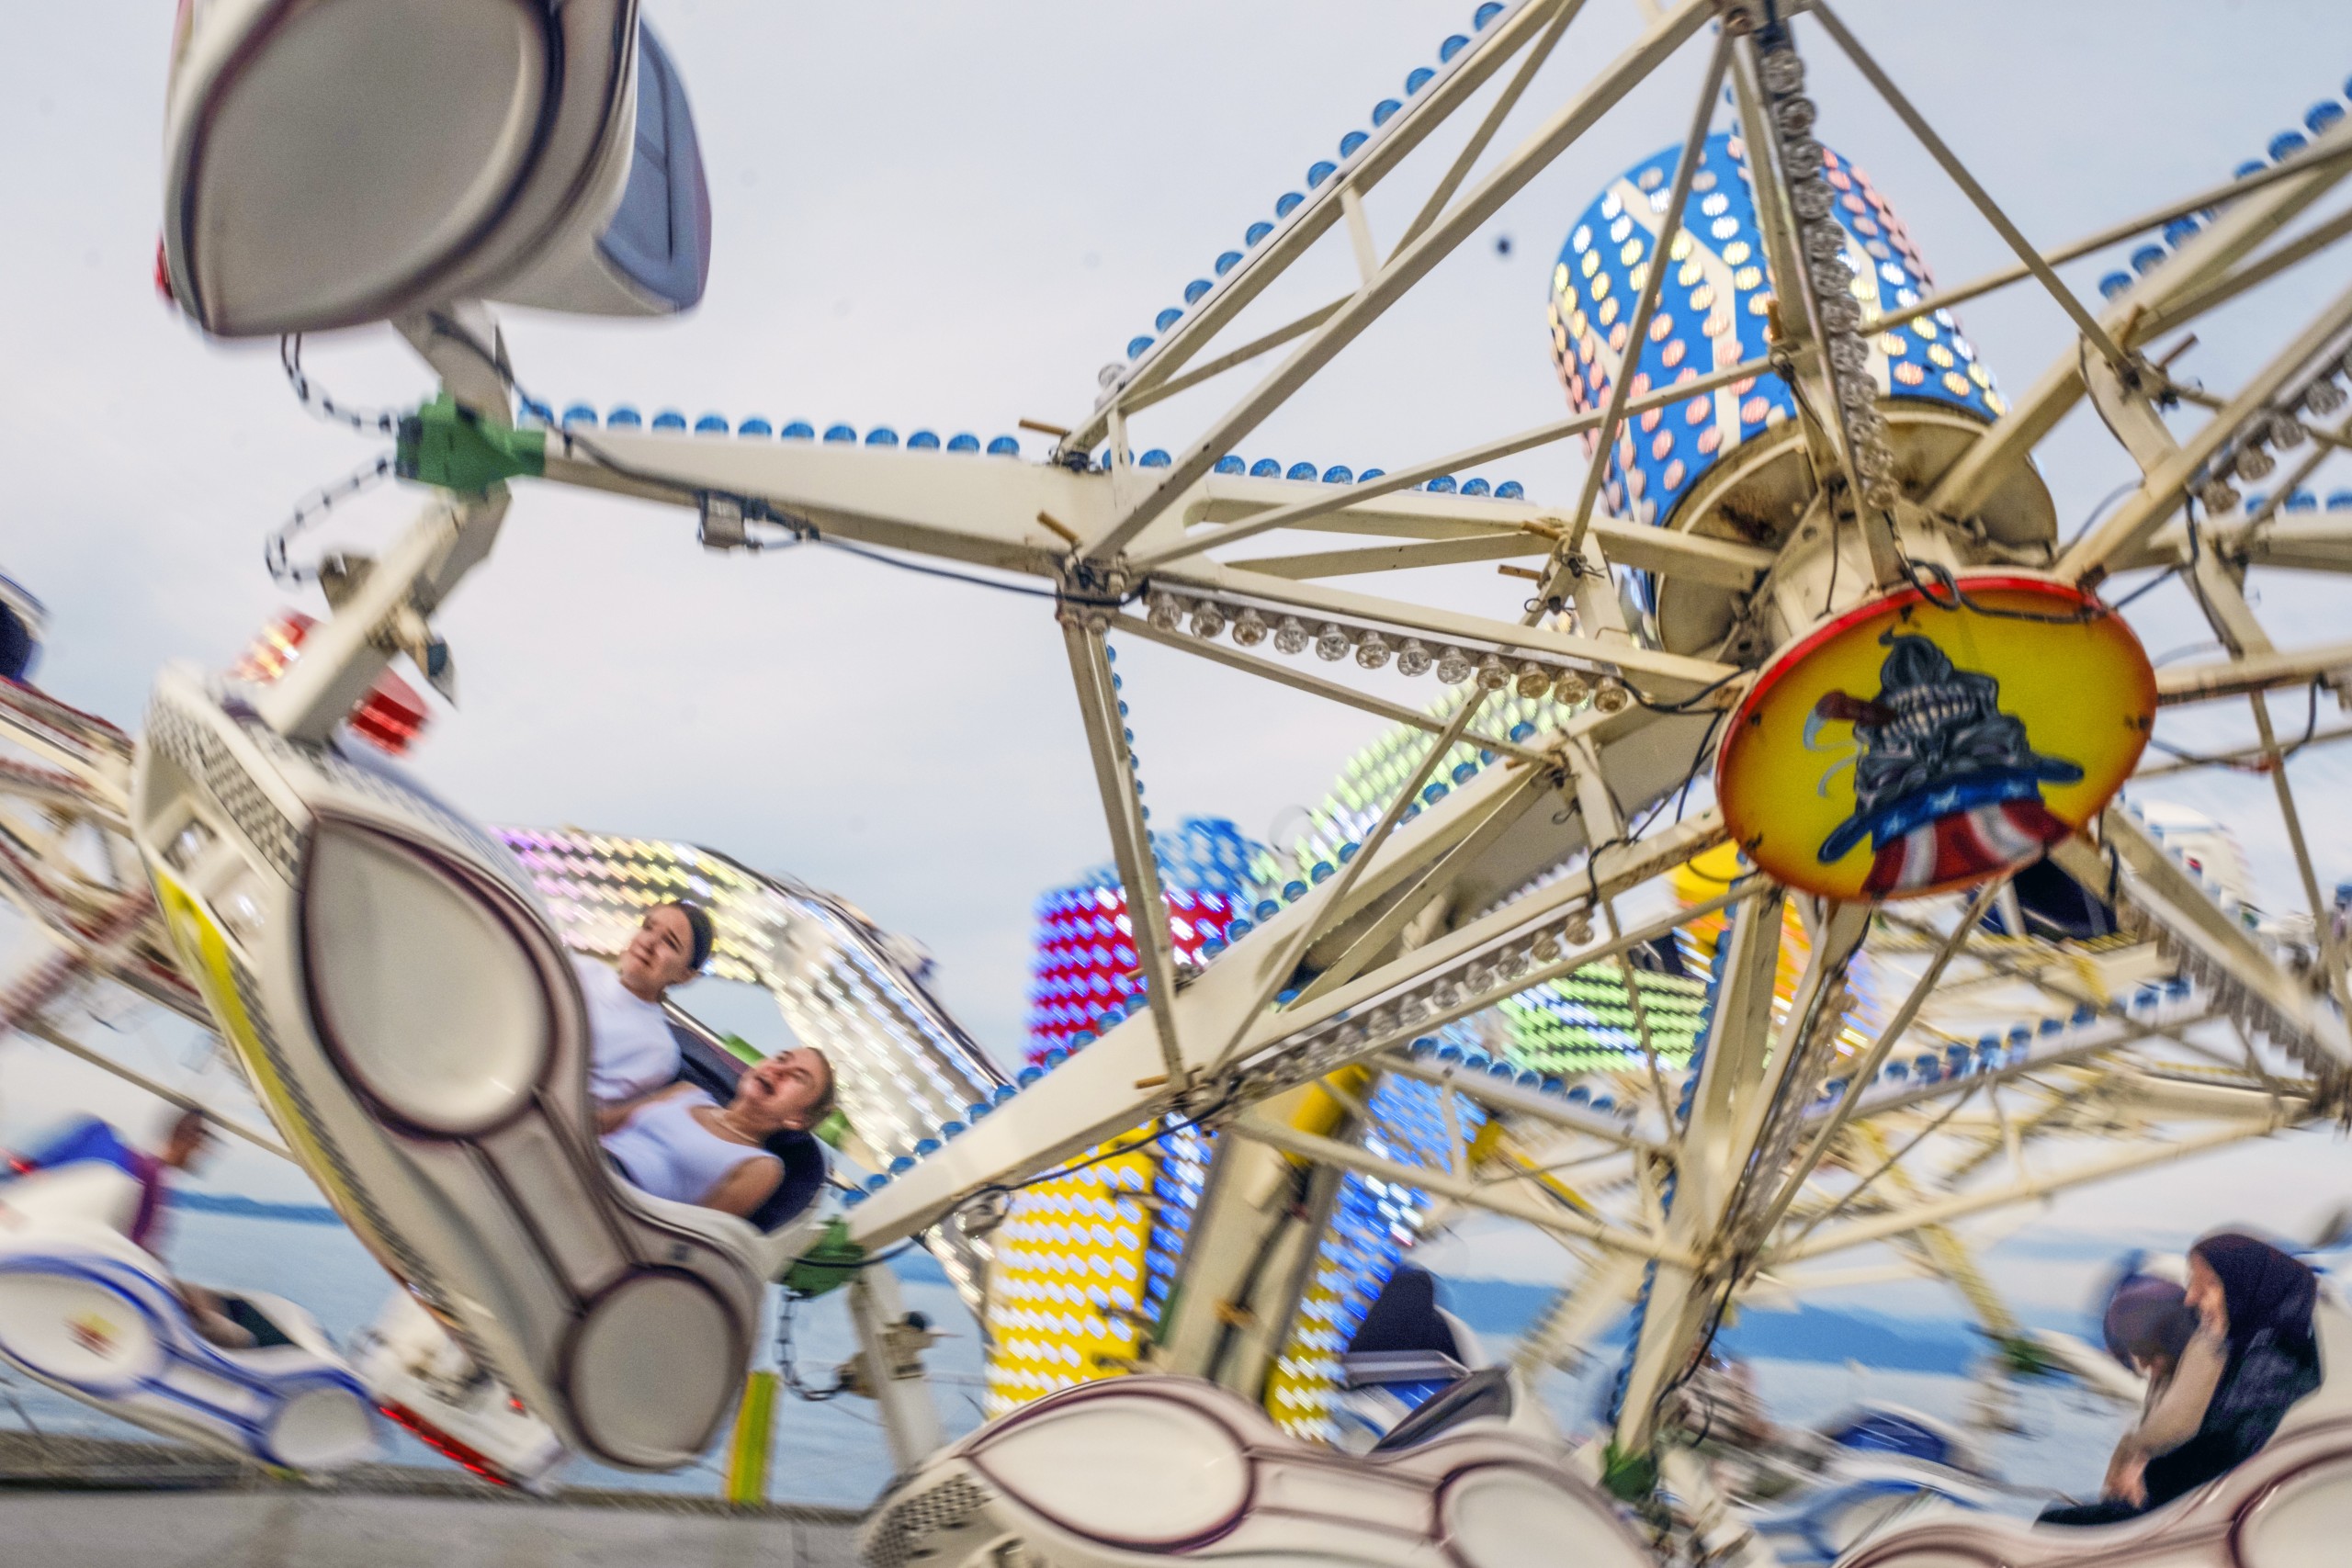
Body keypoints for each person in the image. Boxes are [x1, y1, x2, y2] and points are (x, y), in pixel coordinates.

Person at [2041, 1232, 2322, 1527]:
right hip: (2201, 1513)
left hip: (2212, 1522)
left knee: (2055, 1524)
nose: (2191, 1298)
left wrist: (2144, 1474)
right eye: (2192, 1285)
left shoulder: (2273, 1360)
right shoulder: (2249, 1352)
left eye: (2209, 1285)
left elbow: (2225, 1449)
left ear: (2244, 1287)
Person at [5, 1107, 255, 1348]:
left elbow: (139, 1246)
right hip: (119, 1294)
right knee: (237, 1337)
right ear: (187, 1140)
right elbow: (134, 1250)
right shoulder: (148, 1175)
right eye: (203, 1146)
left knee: (201, 1297)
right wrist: (189, 1306)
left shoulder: (146, 1169)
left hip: (126, 1279)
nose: (204, 1156)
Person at [601, 1046, 834, 1220]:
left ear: (797, 1119)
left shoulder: (762, 1167)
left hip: (611, 1211)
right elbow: (598, 1123)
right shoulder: (686, 1092)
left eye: (797, 1077)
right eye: (781, 1059)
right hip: (586, 1159)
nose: (779, 1070)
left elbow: (689, 1239)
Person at [577, 901, 715, 1128]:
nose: (648, 942)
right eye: (648, 927)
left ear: (686, 975)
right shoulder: (583, 968)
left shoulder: (657, 1051)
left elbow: (583, 1114)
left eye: (669, 942)